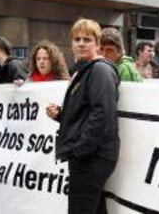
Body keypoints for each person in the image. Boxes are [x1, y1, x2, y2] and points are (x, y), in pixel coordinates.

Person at [46, 18, 119, 214]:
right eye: (77, 39)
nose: (80, 44)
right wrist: (61, 116)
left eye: (87, 39)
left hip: (92, 156)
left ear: (97, 44)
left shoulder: (100, 70)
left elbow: (101, 114)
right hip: (89, 154)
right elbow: (84, 113)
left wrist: (80, 149)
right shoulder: (84, 70)